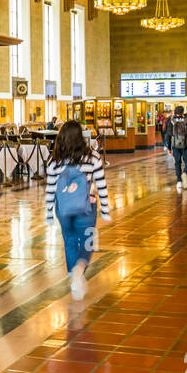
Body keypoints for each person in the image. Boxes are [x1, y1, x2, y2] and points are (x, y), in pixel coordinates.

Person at [44, 120, 111, 301]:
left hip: (63, 209)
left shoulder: (53, 160)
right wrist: (105, 209)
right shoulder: (93, 157)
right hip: (86, 206)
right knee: (88, 241)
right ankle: (79, 271)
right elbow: (101, 184)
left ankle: (72, 277)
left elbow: (50, 188)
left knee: (70, 240)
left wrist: (49, 212)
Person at [164, 105, 187, 189]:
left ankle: (179, 181)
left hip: (175, 145)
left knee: (177, 163)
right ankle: (185, 173)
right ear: (182, 112)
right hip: (186, 145)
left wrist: (169, 147)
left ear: (175, 112)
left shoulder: (171, 121)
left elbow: (168, 135)